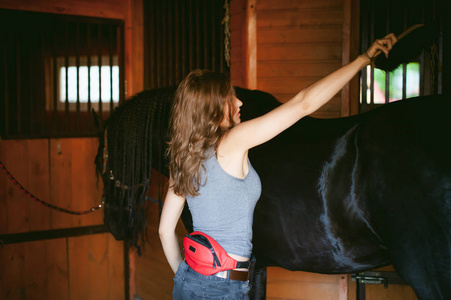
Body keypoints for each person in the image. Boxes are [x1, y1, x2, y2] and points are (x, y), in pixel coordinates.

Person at [159, 33, 397, 299]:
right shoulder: (232, 142)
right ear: (213, 108)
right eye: (230, 97)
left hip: (192, 282)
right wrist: (363, 59)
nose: (239, 102)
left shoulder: (184, 157)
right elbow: (303, 104)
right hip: (223, 288)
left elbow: (165, 230)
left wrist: (184, 277)